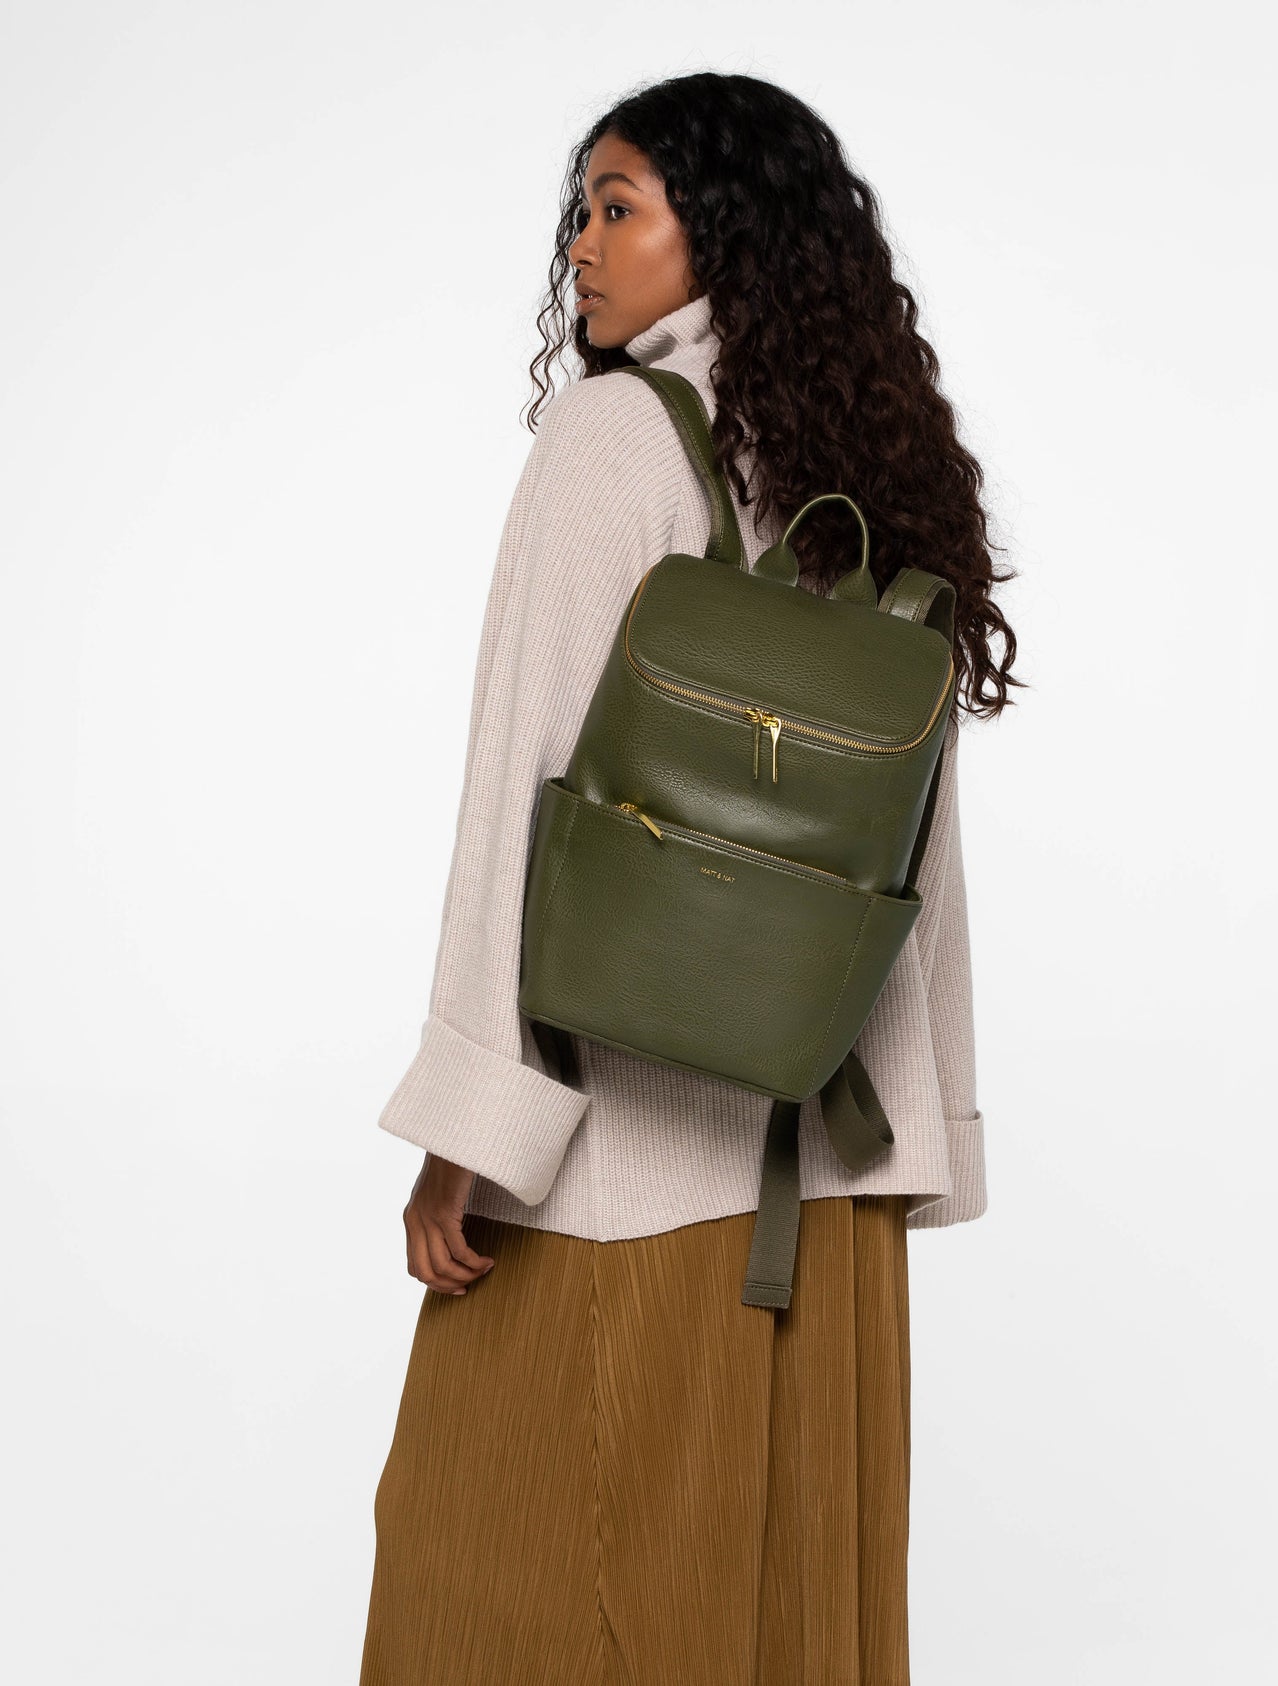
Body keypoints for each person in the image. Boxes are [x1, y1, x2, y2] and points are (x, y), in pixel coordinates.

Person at [358, 69, 1019, 1686]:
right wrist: (926, 1129)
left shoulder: (613, 434)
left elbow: (520, 782)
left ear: (717, 229)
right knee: (791, 1628)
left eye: (618, 205)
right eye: (579, 210)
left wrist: (473, 1123)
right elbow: (911, 847)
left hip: (622, 1179)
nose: (581, 245)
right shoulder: (864, 455)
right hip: (831, 1187)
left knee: (505, 1585)